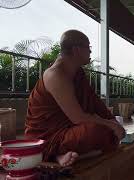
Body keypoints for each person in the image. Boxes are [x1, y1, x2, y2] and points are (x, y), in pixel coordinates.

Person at [25, 30, 125, 167]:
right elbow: (78, 118)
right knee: (98, 131)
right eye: (88, 48)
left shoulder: (78, 72)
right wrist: (111, 125)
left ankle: (64, 155)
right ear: (77, 50)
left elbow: (95, 102)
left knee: (111, 129)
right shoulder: (55, 75)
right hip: (48, 137)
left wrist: (113, 121)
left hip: (70, 130)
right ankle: (54, 155)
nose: (90, 52)